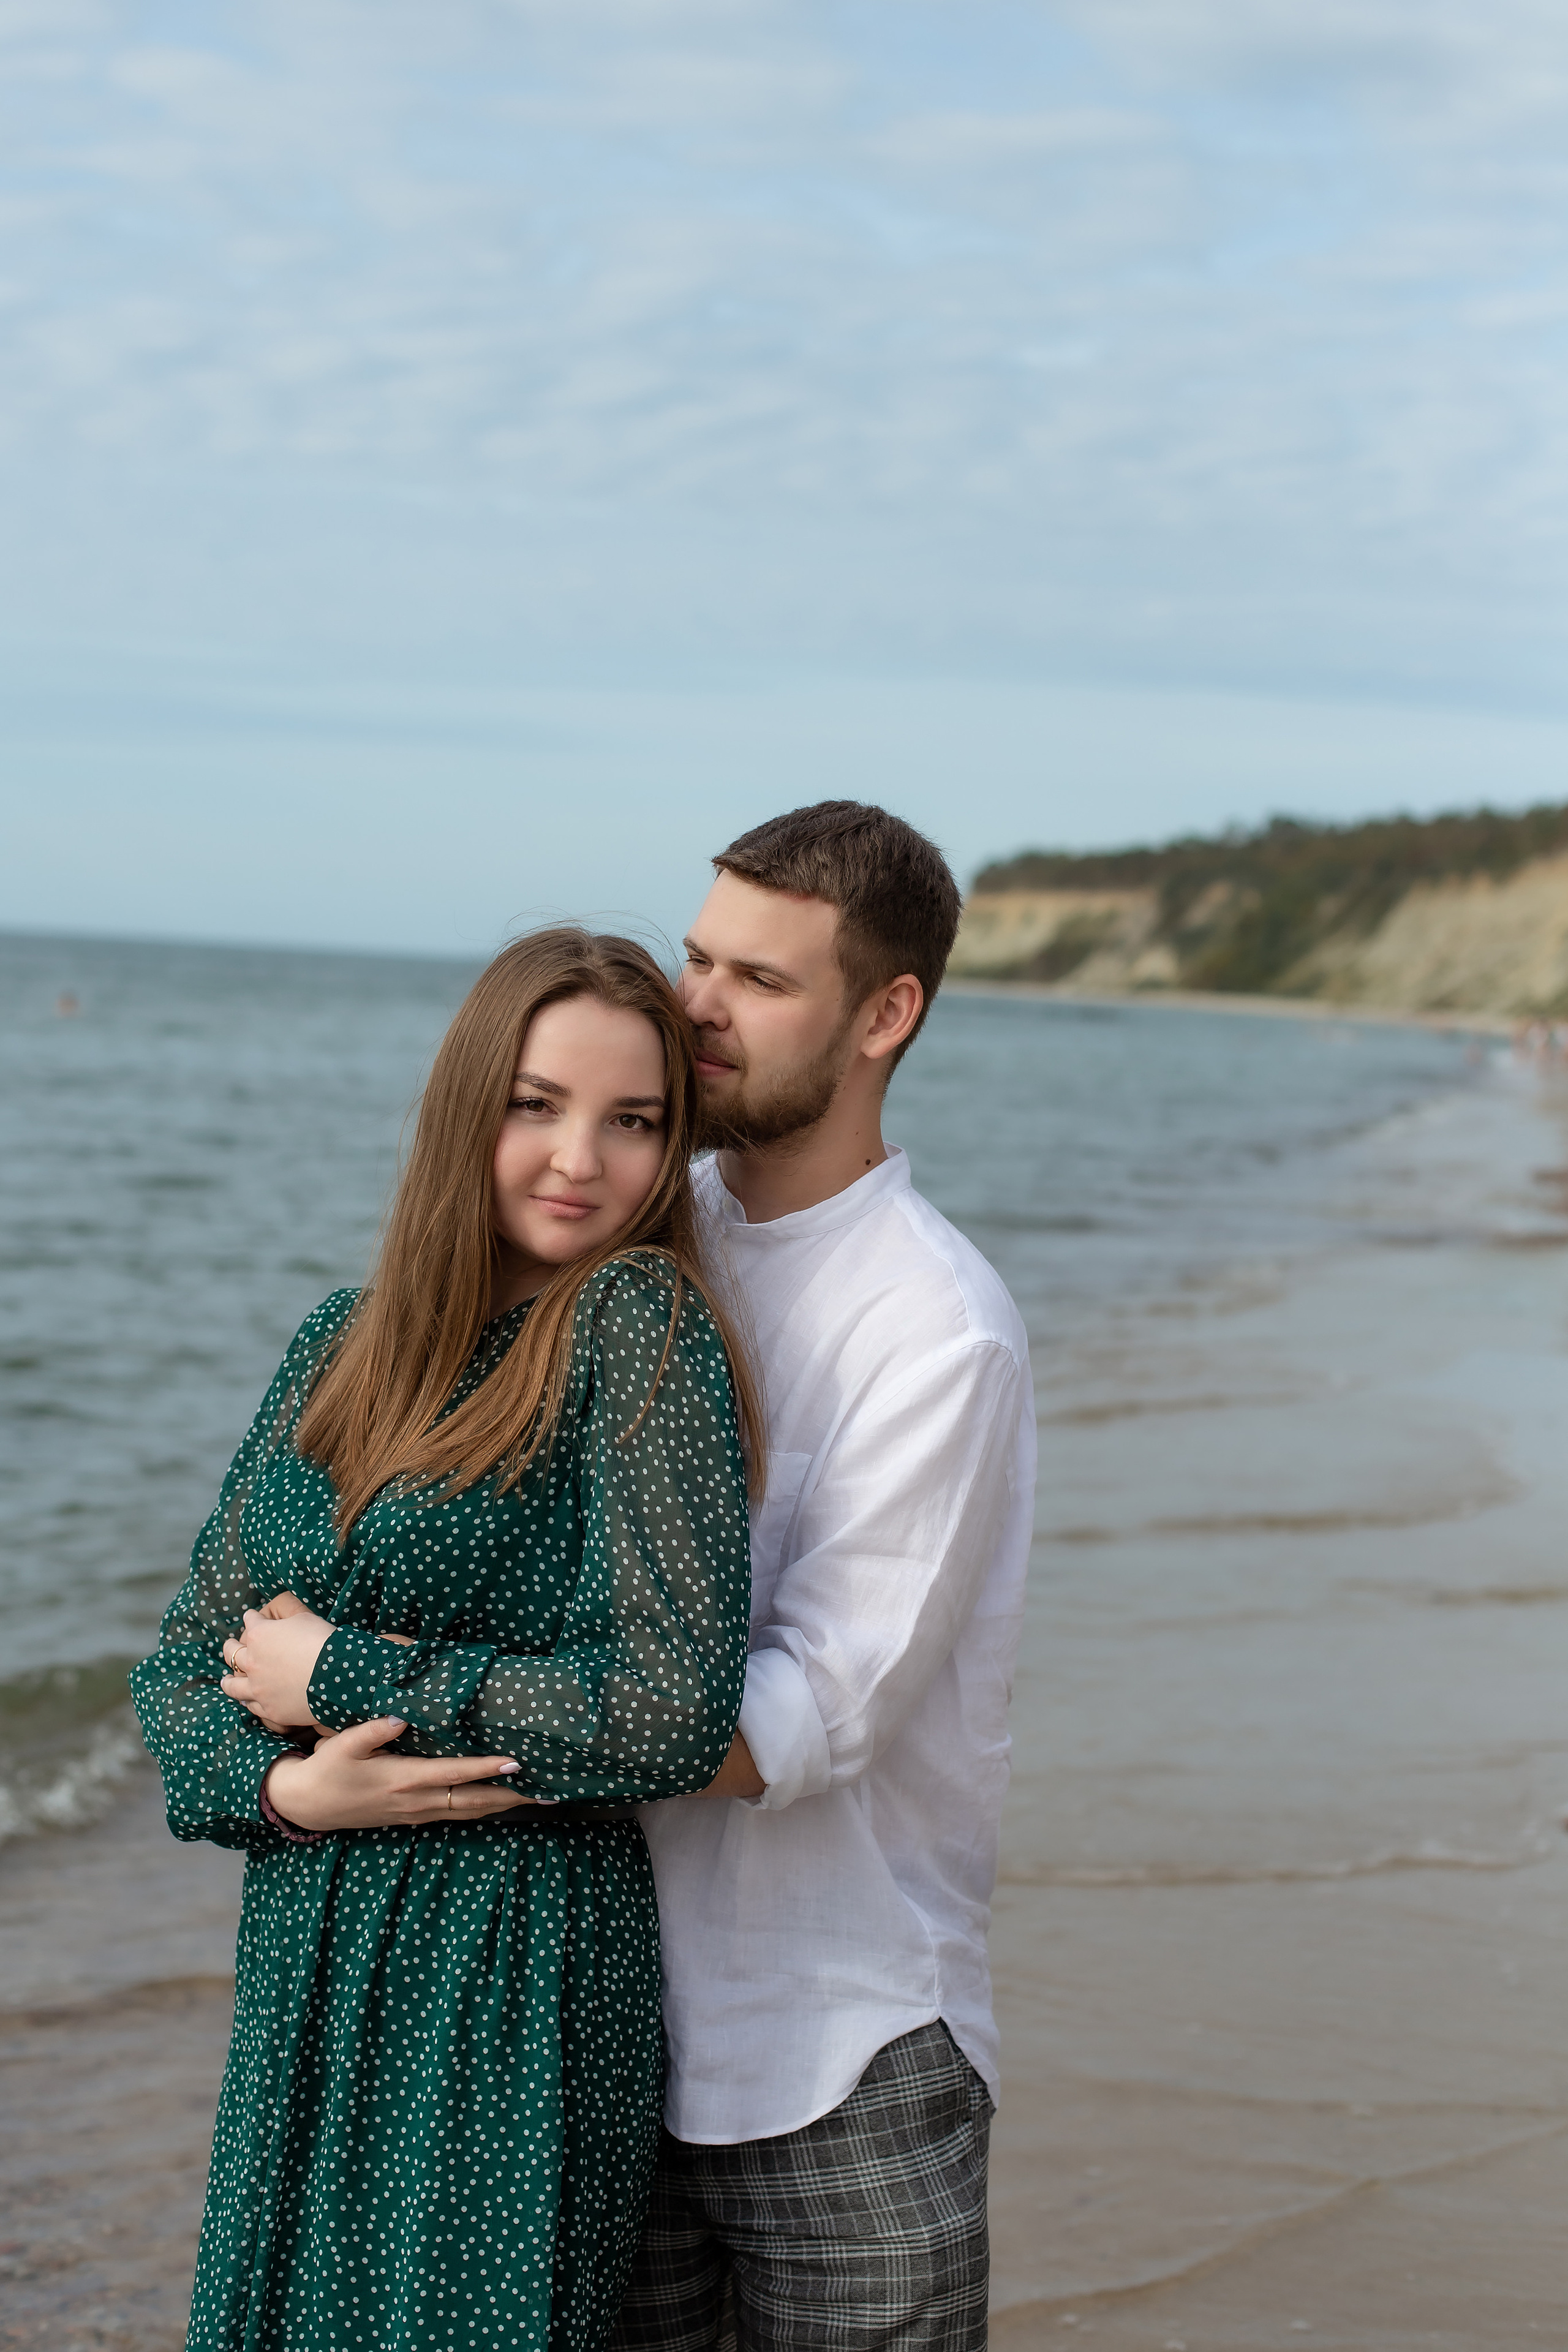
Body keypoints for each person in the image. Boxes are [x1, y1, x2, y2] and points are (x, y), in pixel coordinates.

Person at [130, 929, 761, 2352]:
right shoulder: (338, 1342)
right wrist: (287, 1794)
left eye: (633, 1122)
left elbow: (667, 1710)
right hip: (308, 1939)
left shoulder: (638, 1326)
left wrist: (341, 1677)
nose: (578, 1162)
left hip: (512, 1971)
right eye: (535, 1104)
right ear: (465, 1105)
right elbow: (179, 1668)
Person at [611, 802, 1037, 2351]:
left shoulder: (935, 1326)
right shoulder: (635, 1246)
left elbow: (803, 1722)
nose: (696, 1010)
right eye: (695, 958)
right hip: (604, 2033)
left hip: (842, 2058)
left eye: (758, 982)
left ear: (885, 1014)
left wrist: (444, 1711)